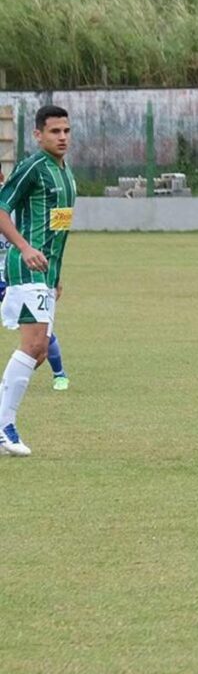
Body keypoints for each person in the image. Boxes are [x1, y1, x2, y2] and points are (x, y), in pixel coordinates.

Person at [0, 105, 77, 457]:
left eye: (66, 131)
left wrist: (57, 275)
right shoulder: (33, 166)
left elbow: (58, 228)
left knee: (41, 351)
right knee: (32, 346)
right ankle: (3, 427)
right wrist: (24, 246)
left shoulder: (66, 173)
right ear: (38, 135)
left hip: (46, 273)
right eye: (54, 131)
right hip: (26, 266)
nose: (62, 137)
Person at [0, 170, 70, 391]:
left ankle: (59, 373)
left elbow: (53, 233)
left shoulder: (15, 199)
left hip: (20, 275)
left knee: (39, 332)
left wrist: (54, 275)